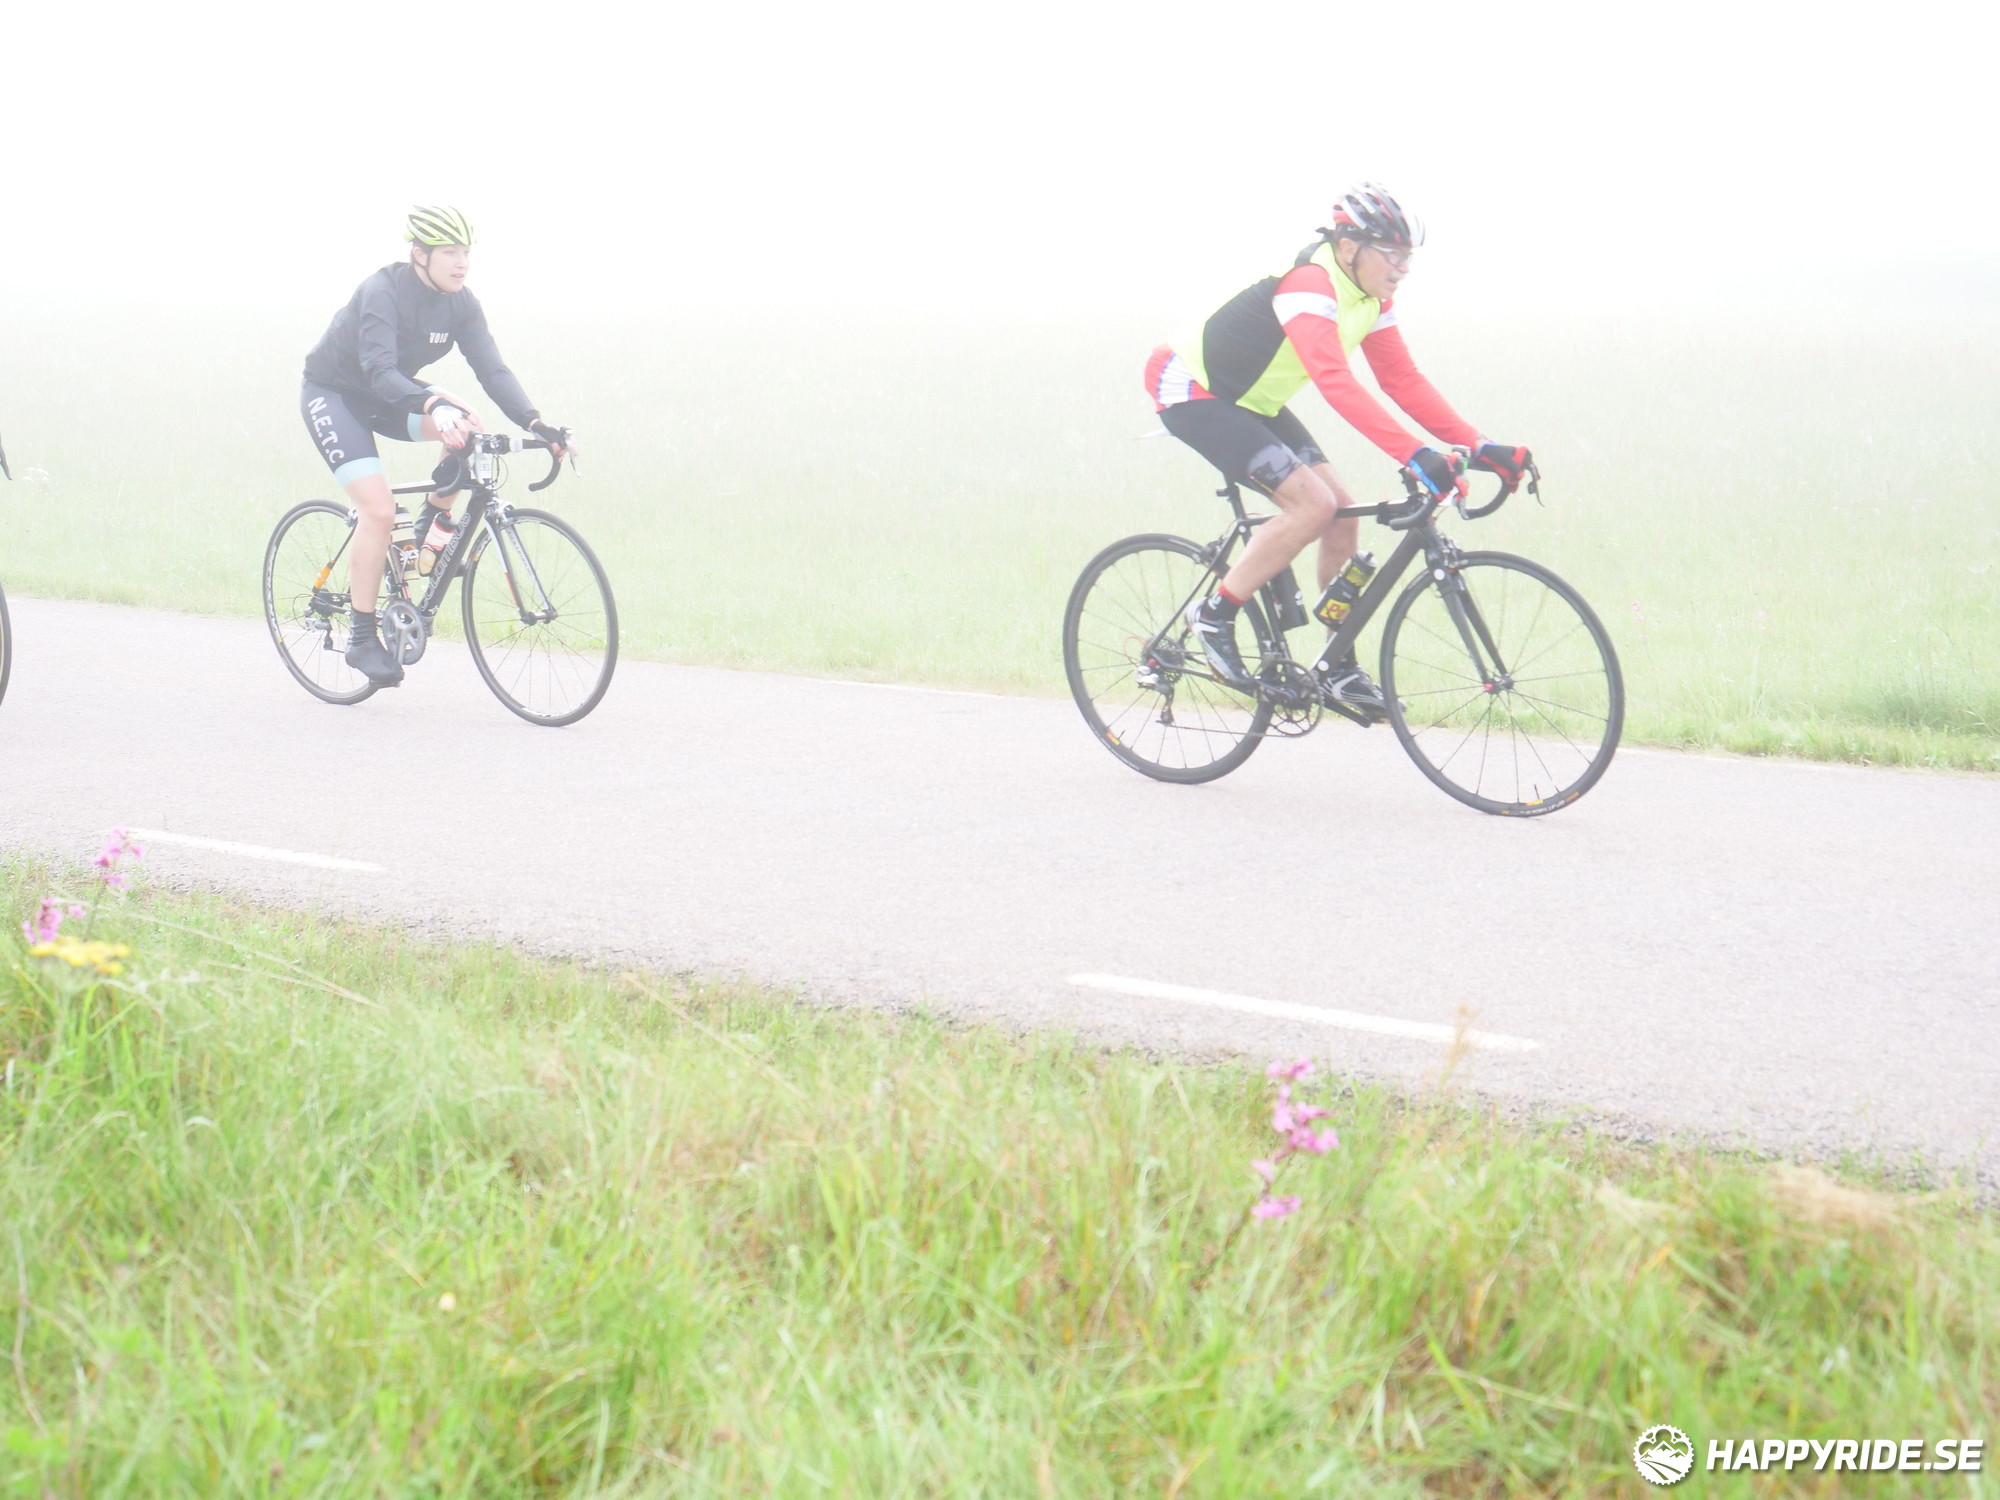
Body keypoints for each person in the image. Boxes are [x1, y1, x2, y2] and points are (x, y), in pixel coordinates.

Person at [1143, 182, 1532, 711]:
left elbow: (1402, 380)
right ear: (1349, 247)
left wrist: (1480, 446)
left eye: (1408, 255)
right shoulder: (1310, 285)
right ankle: (1214, 615)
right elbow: (1334, 381)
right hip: (1191, 388)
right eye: (1391, 253)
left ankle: (1336, 667)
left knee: (1342, 514)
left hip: (1252, 398)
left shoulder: (1371, 299)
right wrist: (1415, 454)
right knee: (1313, 505)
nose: (1403, 267)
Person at [300, 205, 567, 684]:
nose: (461, 263)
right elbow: (379, 370)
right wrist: (432, 404)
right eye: (449, 252)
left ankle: (430, 527)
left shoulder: (460, 303)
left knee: (469, 425)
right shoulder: (382, 291)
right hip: (336, 396)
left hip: (389, 396)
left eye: (465, 252)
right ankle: (361, 637)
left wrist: (535, 422)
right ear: (419, 255)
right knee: (379, 512)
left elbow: (492, 369)